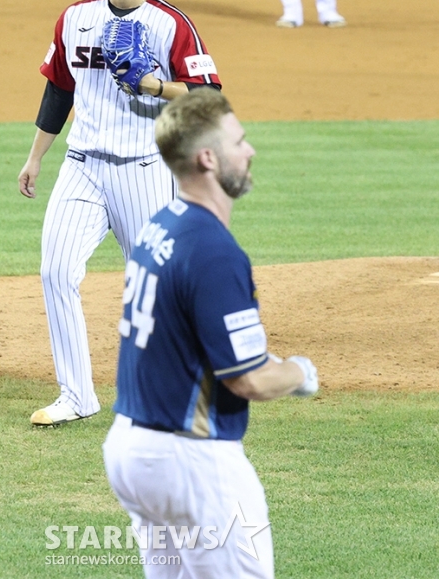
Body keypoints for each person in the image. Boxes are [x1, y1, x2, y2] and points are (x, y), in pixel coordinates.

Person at [103, 88, 319, 578]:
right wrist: (299, 372)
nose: (250, 151)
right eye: (239, 141)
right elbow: (249, 381)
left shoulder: (160, 225)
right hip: (191, 461)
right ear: (207, 157)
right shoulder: (214, 251)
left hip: (132, 451)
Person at [18, 0, 221, 426]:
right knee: (55, 272)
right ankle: (76, 396)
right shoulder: (74, 18)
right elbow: (59, 89)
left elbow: (210, 96)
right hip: (82, 167)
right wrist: (36, 155)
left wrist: (154, 86)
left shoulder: (171, 24)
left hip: (144, 170)